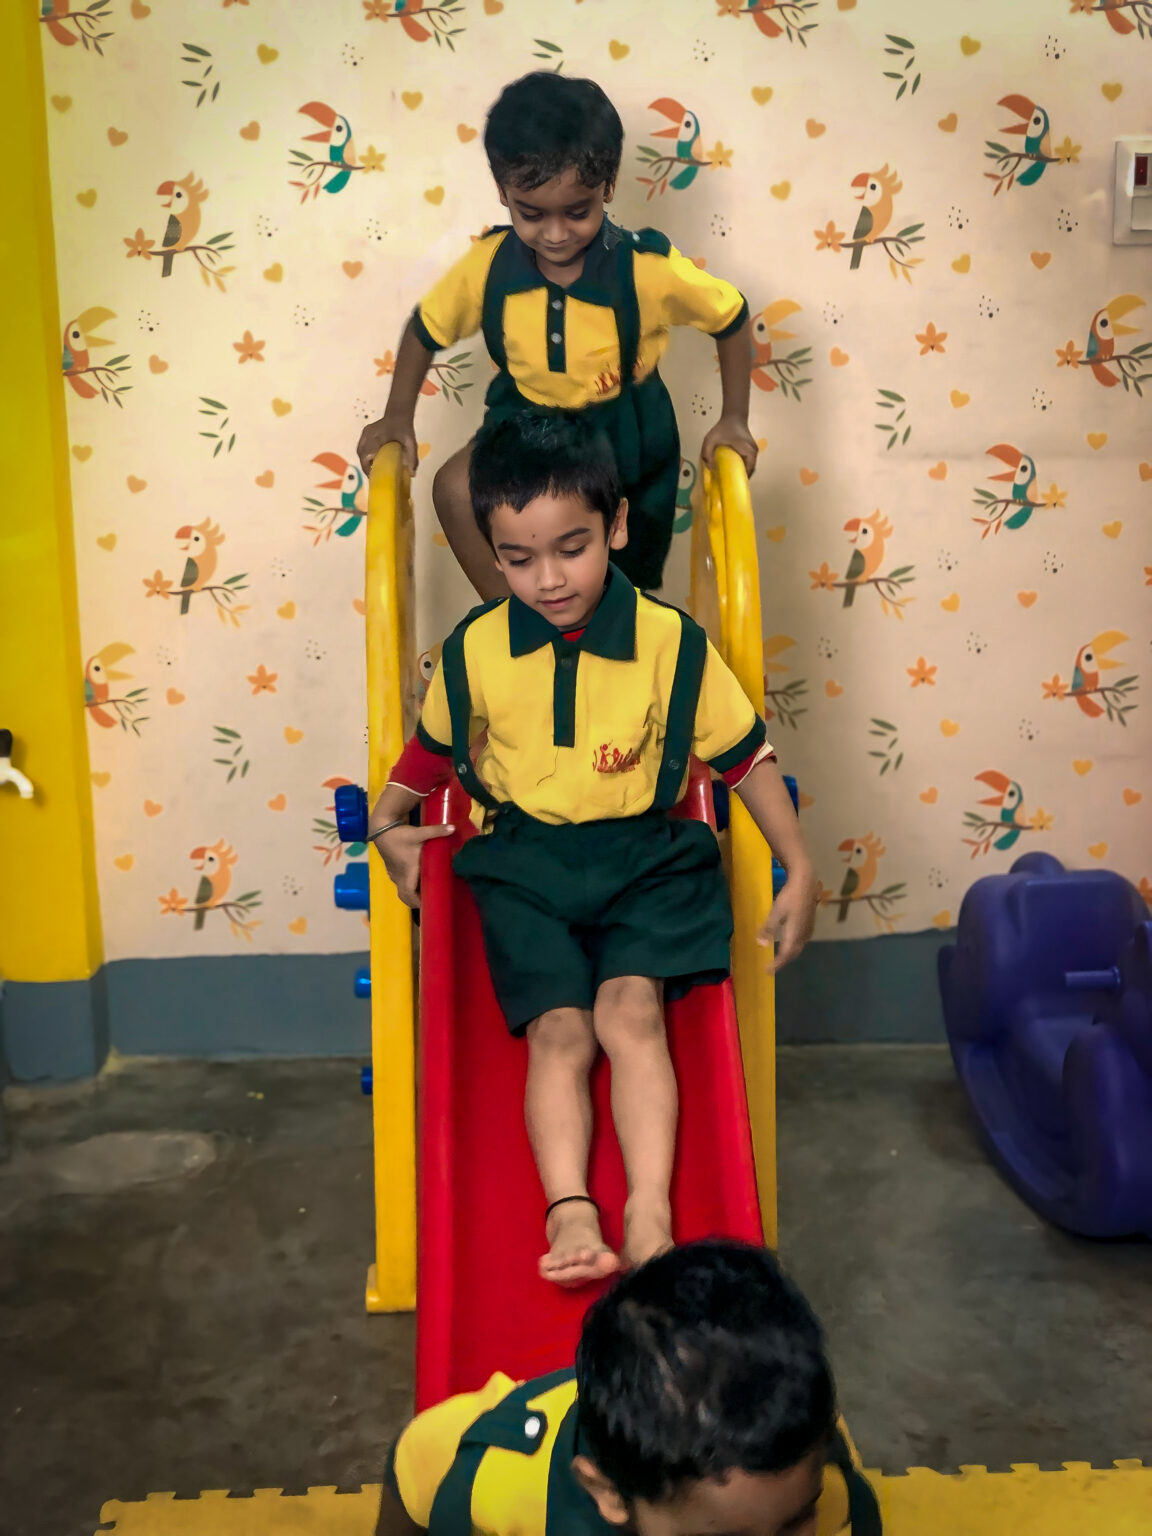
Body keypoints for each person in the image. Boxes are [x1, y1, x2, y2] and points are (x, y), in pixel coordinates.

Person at [368, 411, 817, 1286]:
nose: (548, 579)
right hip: (525, 864)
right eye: (519, 559)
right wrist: (387, 827)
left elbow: (742, 755)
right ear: (494, 555)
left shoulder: (667, 642)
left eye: (571, 548)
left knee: (630, 1015)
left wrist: (795, 861)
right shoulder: (476, 652)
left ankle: (649, 1204)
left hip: (646, 859)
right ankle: (569, 1206)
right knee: (562, 1033)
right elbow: (423, 758)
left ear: (616, 526)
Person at [357, 70, 756, 599]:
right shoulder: (489, 266)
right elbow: (425, 329)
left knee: (603, 560)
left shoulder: (645, 269)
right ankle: (516, 623)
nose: (556, 233)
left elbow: (729, 318)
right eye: (532, 214)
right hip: (525, 423)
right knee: (453, 488)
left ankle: (605, 638)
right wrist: (397, 416)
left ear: (607, 187)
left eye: (577, 212)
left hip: (617, 435)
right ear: (503, 192)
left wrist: (734, 419)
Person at [373, 1239, 882, 1536]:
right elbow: (413, 1463)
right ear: (606, 1493)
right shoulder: (491, 1476)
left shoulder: (816, 1461)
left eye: (797, 1524)